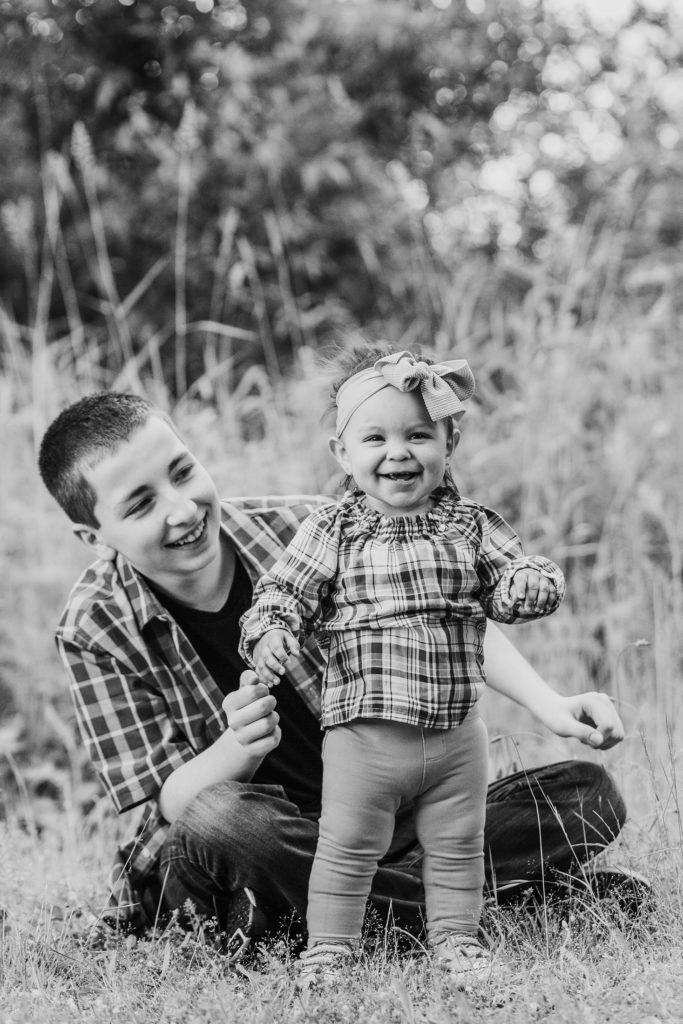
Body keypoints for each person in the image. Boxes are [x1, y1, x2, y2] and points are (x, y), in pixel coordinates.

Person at [37, 387, 628, 973]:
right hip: (252, 848)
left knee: (588, 794)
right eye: (140, 504)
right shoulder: (93, 625)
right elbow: (170, 800)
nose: (182, 509)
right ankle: (478, 909)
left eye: (183, 472)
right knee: (223, 819)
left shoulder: (308, 526)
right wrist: (236, 747)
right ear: (95, 538)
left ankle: (350, 918)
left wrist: (549, 705)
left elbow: (441, 613)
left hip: (380, 820)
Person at [240, 347, 567, 986]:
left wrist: (528, 586)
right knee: (346, 846)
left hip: (456, 737)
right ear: (342, 452)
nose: (398, 452)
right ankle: (331, 948)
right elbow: (285, 591)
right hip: (366, 736)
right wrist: (273, 630)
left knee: (457, 847)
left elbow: (508, 582)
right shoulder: (332, 529)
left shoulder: (472, 526)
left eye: (419, 434)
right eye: (376, 437)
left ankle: (456, 943)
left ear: (450, 440)